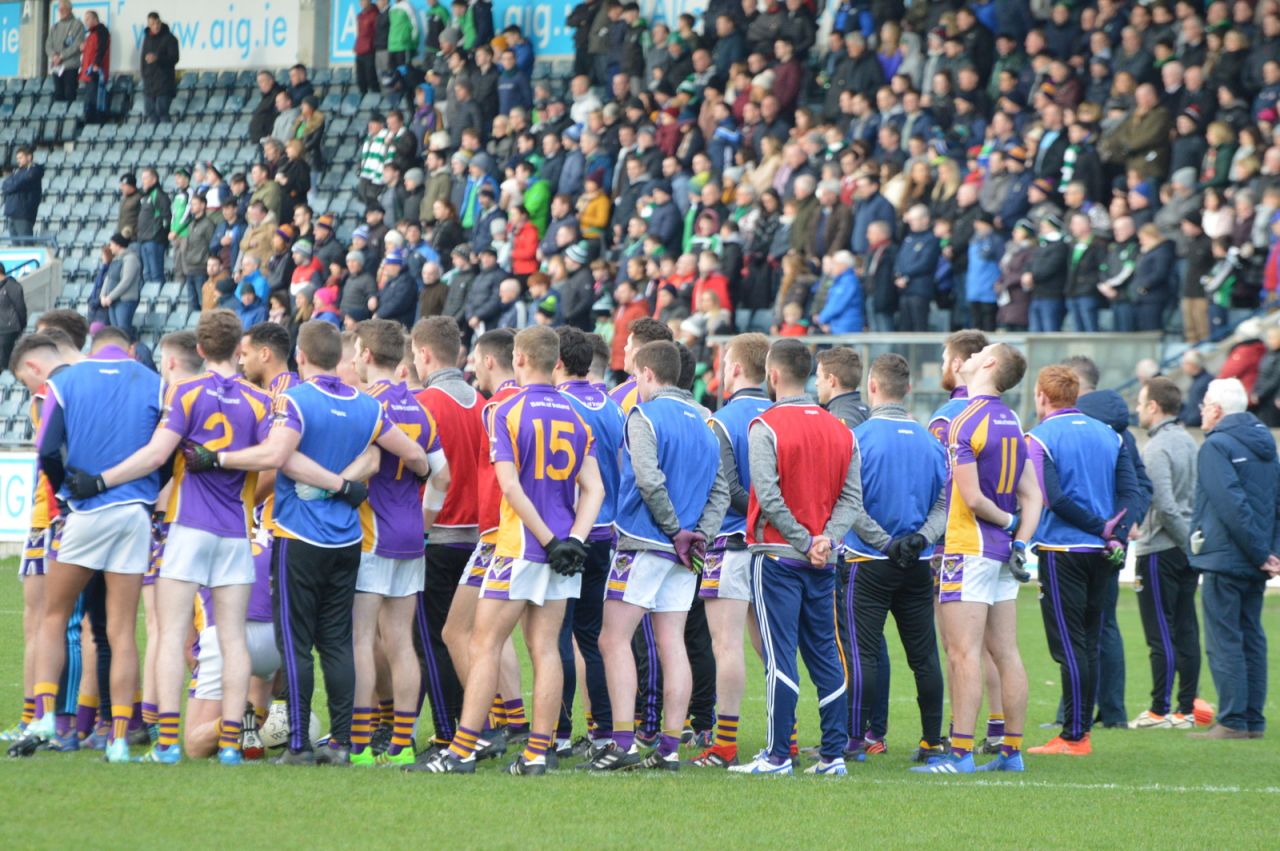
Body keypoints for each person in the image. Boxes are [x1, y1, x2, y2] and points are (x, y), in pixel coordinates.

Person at [207, 321, 430, 764]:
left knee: (296, 643)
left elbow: (276, 457)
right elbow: (410, 454)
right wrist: (351, 480)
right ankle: (344, 743)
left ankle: (297, 746)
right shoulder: (366, 406)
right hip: (347, 539)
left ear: (302, 358)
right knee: (338, 643)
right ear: (340, 359)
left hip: (299, 536)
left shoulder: (295, 400)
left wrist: (219, 458)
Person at [72, 311, 273, 765]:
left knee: (169, 633)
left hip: (189, 527)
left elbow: (155, 455)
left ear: (200, 350)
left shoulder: (185, 392)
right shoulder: (260, 400)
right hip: (236, 532)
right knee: (232, 638)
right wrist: (227, 459)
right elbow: (272, 456)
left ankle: (165, 745)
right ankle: (229, 747)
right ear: (239, 349)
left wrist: (102, 481)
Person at [413, 326, 604, 774]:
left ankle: (461, 752)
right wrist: (573, 539)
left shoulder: (506, 408)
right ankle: (539, 753)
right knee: (545, 649)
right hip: (560, 550)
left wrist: (550, 540)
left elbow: (511, 486)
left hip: (519, 544)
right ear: (556, 361)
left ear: (518, 358)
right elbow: (593, 489)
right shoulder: (577, 416)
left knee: (484, 644)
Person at [729, 338, 886, 776]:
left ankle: (778, 755)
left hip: (779, 555)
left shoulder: (766, 426)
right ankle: (833, 754)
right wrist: (826, 540)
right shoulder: (842, 430)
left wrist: (804, 539)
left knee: (780, 656)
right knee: (826, 656)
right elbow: (852, 499)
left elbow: (768, 494)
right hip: (822, 558)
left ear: (772, 376)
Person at [18, 327, 163, 763]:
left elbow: (44, 450)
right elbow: (168, 453)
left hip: (84, 513)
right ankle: (118, 740)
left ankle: (44, 714)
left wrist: (65, 492)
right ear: (129, 348)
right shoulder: (155, 383)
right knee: (120, 632)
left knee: (53, 615)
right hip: (134, 513)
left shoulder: (63, 383)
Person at [586, 340, 728, 771]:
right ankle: (668, 747)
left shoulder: (643, 414)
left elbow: (648, 480)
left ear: (647, 374)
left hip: (645, 540)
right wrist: (699, 534)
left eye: (635, 375)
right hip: (687, 552)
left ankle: (624, 743)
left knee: (612, 639)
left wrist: (674, 530)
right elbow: (721, 490)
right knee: (672, 642)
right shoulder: (706, 421)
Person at [918, 341, 1041, 774]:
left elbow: (970, 498)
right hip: (1003, 556)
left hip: (968, 549)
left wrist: (1008, 525)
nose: (965, 359)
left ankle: (960, 754)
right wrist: (1021, 540)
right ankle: (1012, 751)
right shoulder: (1011, 419)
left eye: (977, 352)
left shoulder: (964, 420)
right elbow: (1034, 494)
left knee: (962, 652)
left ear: (988, 364)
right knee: (1006, 653)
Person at [349, 320, 451, 767]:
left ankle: (359, 747)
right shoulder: (420, 410)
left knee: (360, 640)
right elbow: (442, 476)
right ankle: (403, 743)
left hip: (373, 534)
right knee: (400, 641)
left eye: (355, 351)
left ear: (367, 355)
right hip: (411, 534)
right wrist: (424, 522)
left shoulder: (365, 405)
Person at [1024, 366, 1138, 757]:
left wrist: (1100, 528)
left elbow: (1052, 498)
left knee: (1070, 645)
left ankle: (1074, 735)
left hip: (1063, 551)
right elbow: (1130, 491)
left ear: (1042, 396)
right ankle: (1081, 731)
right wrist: (1115, 533)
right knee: (1089, 642)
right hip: (1103, 554)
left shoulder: (1039, 438)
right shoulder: (1109, 435)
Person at [842, 353, 948, 762]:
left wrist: (885, 541)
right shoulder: (930, 440)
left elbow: (851, 503)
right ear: (907, 390)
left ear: (872, 386)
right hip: (916, 564)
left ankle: (855, 740)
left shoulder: (860, 437)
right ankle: (930, 742)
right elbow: (943, 502)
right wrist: (922, 539)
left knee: (863, 652)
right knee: (923, 655)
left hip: (869, 560)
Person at [438, 329, 526, 761]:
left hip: (498, 537)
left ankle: (481, 731)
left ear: (490, 361)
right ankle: (523, 726)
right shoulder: (532, 404)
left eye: (475, 358)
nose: (472, 365)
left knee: (460, 632)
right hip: (536, 537)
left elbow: (503, 482)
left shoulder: (498, 408)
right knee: (520, 639)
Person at [690, 333, 772, 769]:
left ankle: (724, 744)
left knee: (727, 646)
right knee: (771, 647)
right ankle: (787, 739)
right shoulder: (783, 414)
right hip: (778, 547)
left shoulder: (721, 421)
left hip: (733, 542)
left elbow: (724, 491)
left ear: (736, 368)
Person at [409, 317, 487, 757]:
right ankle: (482, 724)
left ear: (423, 355)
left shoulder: (423, 403)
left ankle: (447, 732)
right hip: (478, 538)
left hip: (436, 534)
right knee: (472, 639)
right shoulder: (484, 403)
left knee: (433, 638)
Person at [1189, 378, 1279, 740]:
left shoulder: (1216, 447)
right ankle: (1252, 719)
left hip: (1227, 557)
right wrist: (1270, 553)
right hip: (1257, 558)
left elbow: (1231, 506)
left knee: (1225, 637)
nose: (1201, 412)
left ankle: (1231, 720)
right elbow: (1275, 506)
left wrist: (1261, 553)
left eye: (1204, 405)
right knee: (1251, 636)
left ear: (1215, 409)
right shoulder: (1267, 444)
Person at [553, 327, 623, 756]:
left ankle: (557, 731)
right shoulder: (611, 405)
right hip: (606, 532)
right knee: (593, 637)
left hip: (572, 533)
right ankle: (602, 731)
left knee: (556, 637)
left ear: (556, 362)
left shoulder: (561, 405)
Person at [1129, 377, 1204, 730]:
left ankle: (1159, 710)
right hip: (1186, 548)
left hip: (1162, 548)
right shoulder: (1189, 441)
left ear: (1155, 407)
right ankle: (1185, 708)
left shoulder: (1157, 448)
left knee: (1160, 632)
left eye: (1142, 404)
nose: (1138, 410)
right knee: (1186, 630)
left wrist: (1183, 541)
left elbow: (1163, 503)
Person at [140, 12, 180, 123]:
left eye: (157, 23)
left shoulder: (170, 39)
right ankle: (154, 139)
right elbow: (143, 60)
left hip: (164, 83)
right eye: (152, 23)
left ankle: (165, 136)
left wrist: (158, 58)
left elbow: (174, 58)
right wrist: (144, 75)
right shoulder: (147, 39)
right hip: (149, 84)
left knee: (161, 111)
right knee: (150, 112)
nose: (156, 26)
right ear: (149, 25)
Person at [46, 1, 86, 103]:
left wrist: (62, 56)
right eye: (60, 9)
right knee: (58, 94)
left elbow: (77, 44)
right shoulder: (55, 27)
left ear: (69, 9)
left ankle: (69, 117)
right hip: (56, 67)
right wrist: (54, 56)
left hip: (71, 66)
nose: (61, 11)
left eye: (63, 8)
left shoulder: (78, 25)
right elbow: (48, 45)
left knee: (69, 93)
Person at [3, 146, 43, 237]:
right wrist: (13, 185)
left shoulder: (35, 170)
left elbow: (21, 183)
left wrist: (12, 186)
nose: (18, 160)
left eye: (20, 158)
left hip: (24, 214)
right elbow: (5, 184)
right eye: (17, 158)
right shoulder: (17, 172)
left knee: (25, 245)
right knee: (15, 248)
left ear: (29, 157)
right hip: (12, 214)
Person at [0, 262, 27, 370]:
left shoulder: (12, 286)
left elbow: (20, 308)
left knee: (4, 361)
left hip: (8, 330)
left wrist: (20, 327)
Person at [1179, 349, 1213, 427]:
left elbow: (1196, 411)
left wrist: (1186, 423)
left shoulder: (1203, 383)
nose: (1183, 366)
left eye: (1185, 363)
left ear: (1193, 364)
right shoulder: (1200, 381)